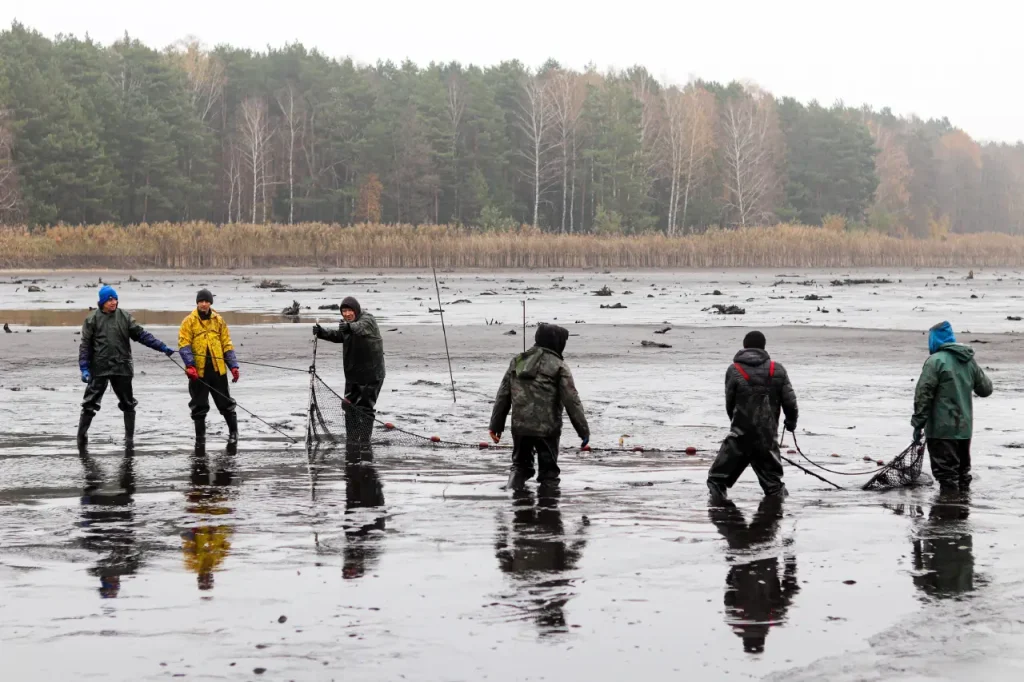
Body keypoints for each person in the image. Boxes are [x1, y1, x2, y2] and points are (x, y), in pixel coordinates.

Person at [489, 323, 590, 490]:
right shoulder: (559, 365)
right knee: (549, 473)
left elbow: (503, 395)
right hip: (547, 429)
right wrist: (583, 430)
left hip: (520, 427)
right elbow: (572, 400)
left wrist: (496, 425)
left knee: (520, 467)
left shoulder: (517, 362)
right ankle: (548, 504)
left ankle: (514, 497)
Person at [77, 285, 176, 451]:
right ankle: (81, 436)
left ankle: (129, 439)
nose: (113, 302)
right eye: (109, 300)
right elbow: (85, 345)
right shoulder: (92, 319)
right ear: (102, 302)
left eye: (115, 299)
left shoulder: (124, 317)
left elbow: (142, 335)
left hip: (122, 367)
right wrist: (84, 368)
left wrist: (162, 347)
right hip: (99, 368)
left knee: (128, 404)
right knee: (89, 403)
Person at [707, 331, 798, 501]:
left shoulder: (734, 370)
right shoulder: (777, 369)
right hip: (767, 436)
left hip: (740, 434)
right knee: (773, 484)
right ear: (764, 346)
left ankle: (720, 511)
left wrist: (736, 423)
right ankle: (775, 513)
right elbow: (790, 401)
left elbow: (730, 402)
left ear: (744, 346)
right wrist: (791, 422)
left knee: (716, 480)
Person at [912, 321, 992, 491]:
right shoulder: (969, 361)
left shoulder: (935, 361)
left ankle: (948, 506)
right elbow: (986, 389)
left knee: (946, 476)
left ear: (935, 340)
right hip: (964, 430)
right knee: (962, 475)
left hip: (941, 431)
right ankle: (962, 505)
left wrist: (918, 424)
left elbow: (923, 394)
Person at [312, 297, 386, 445]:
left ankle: (364, 441)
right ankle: (352, 440)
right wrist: (322, 333)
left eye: (349, 310)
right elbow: (340, 335)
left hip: (371, 374)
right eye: (344, 311)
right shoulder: (347, 325)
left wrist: (349, 327)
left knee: (365, 408)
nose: (346, 314)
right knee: (349, 406)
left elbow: (359, 327)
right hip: (353, 375)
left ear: (356, 310)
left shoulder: (368, 320)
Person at [178, 289, 239, 447]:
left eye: (206, 301)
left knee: (226, 403)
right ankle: (200, 438)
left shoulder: (218, 320)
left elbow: (227, 344)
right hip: (198, 373)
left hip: (218, 371)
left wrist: (233, 366)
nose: (204, 304)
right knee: (199, 406)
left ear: (210, 303)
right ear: (197, 303)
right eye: (201, 301)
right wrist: (190, 365)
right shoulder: (188, 321)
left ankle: (234, 433)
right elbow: (184, 344)